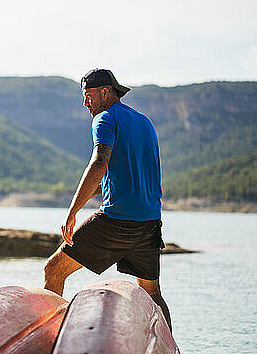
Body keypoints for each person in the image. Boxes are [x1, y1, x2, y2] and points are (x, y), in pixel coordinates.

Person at [43, 68, 172, 331]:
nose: (84, 103)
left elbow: (99, 161)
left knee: (53, 270)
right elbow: (119, 176)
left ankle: (50, 340)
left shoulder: (104, 119)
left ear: (105, 93)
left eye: (88, 95)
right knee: (152, 294)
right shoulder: (145, 122)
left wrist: (72, 211)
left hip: (117, 220)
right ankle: (170, 347)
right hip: (149, 222)